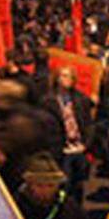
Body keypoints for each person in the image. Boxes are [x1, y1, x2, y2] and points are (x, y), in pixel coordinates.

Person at [43, 68, 94, 203]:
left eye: (69, 76)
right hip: (62, 149)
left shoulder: (80, 99)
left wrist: (86, 144)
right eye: (63, 76)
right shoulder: (48, 100)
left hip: (79, 148)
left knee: (79, 185)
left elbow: (89, 124)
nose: (66, 79)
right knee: (64, 185)